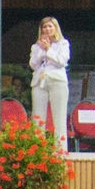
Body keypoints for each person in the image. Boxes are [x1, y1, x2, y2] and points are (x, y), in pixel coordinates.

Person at [29, 17, 70, 146]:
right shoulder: (36, 46)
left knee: (59, 118)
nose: (47, 29)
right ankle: (37, 151)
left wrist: (49, 49)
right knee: (38, 119)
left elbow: (61, 61)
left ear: (55, 28)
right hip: (39, 82)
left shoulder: (63, 43)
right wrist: (42, 50)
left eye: (50, 26)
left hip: (57, 81)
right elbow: (33, 64)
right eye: (44, 27)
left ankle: (60, 151)